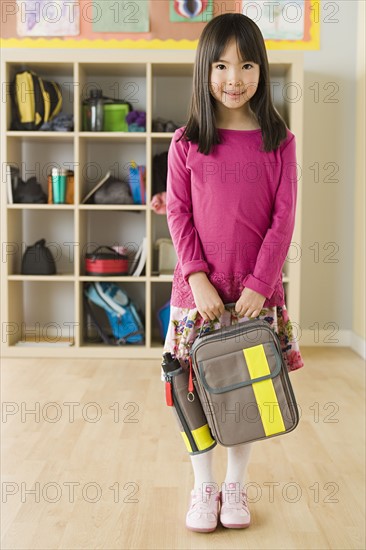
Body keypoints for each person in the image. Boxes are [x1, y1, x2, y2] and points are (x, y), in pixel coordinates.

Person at [162, 12, 305, 533]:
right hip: (195, 295)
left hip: (253, 298)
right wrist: (197, 277)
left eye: (246, 65)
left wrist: (260, 286)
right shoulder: (186, 142)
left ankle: (235, 484)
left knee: (247, 393)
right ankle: (203, 484)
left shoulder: (279, 143)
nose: (233, 78)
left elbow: (282, 220)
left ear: (261, 71)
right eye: (221, 65)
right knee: (192, 394)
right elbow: (178, 214)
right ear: (205, 70)